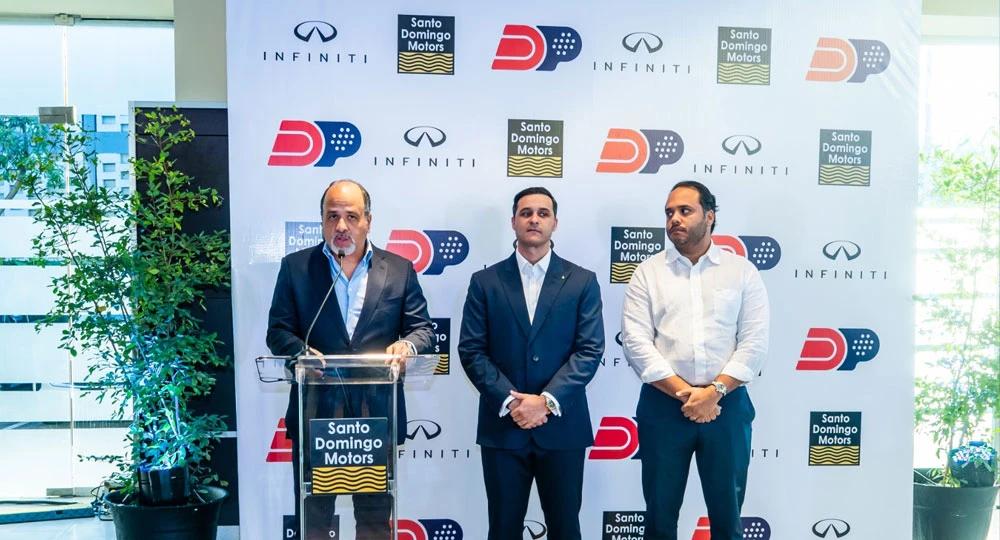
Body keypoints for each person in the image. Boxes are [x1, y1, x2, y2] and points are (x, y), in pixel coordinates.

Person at [266, 179, 434, 538]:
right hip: (316, 416)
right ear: (322, 220)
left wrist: (407, 347)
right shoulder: (296, 267)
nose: (341, 226)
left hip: (375, 416)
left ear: (368, 221)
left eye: (351, 217)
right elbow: (278, 331)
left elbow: (422, 329)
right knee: (314, 521)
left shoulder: (400, 269)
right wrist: (301, 354)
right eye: (333, 216)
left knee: (374, 523)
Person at [621, 180, 769, 540]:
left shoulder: (741, 271)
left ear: (709, 216)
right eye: (669, 212)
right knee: (659, 519)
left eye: (685, 211)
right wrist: (687, 395)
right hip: (663, 407)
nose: (674, 219)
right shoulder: (648, 273)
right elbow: (636, 343)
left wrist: (714, 392)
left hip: (726, 407)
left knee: (728, 521)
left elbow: (754, 343)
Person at [458, 186, 605, 540]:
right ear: (513, 222)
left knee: (566, 530)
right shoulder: (485, 282)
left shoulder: (582, 281)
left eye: (543, 213)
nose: (534, 220)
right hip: (504, 431)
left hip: (563, 429)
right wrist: (513, 403)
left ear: (555, 223)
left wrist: (546, 402)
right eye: (526, 213)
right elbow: (472, 350)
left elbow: (589, 351)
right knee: (503, 530)